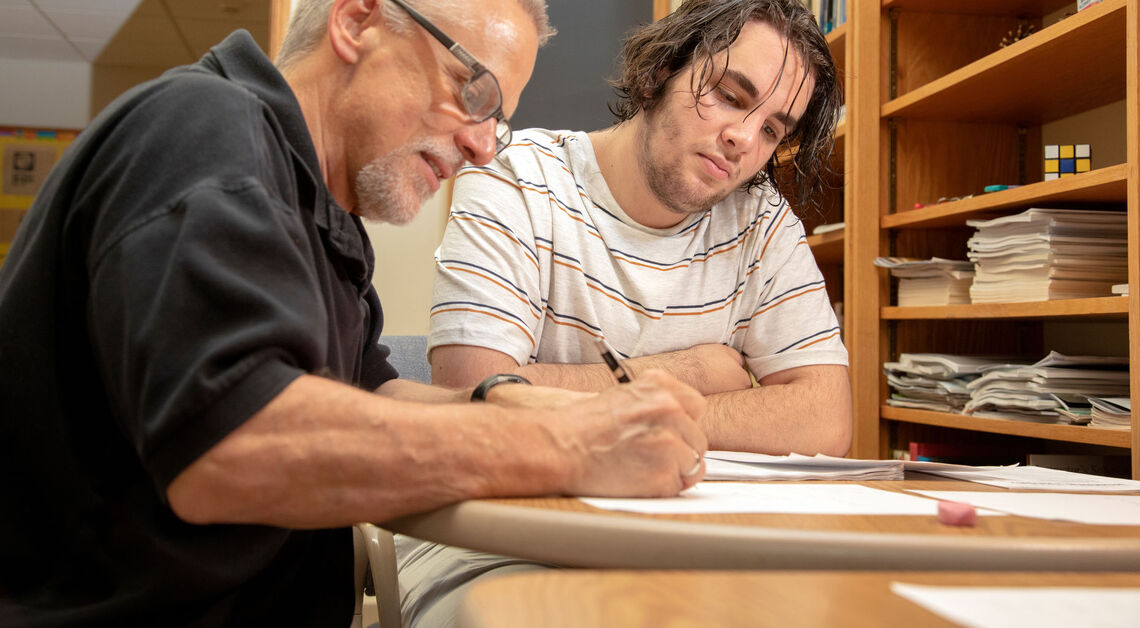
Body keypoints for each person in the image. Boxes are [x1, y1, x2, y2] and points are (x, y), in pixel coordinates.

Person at [0, 0, 711, 625]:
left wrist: (532, 409)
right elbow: (234, 443)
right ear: (357, 20)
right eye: (477, 92)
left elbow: (371, 392)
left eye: (502, 121)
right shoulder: (204, 127)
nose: (484, 146)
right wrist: (577, 449)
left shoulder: (320, 211)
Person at [399, 0, 853, 623]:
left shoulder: (761, 220)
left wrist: (618, 402)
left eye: (773, 128)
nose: (744, 139)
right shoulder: (516, 178)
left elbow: (825, 418)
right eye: (727, 94)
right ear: (657, 73)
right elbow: (476, 398)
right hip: (501, 546)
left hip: (688, 545)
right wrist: (695, 371)